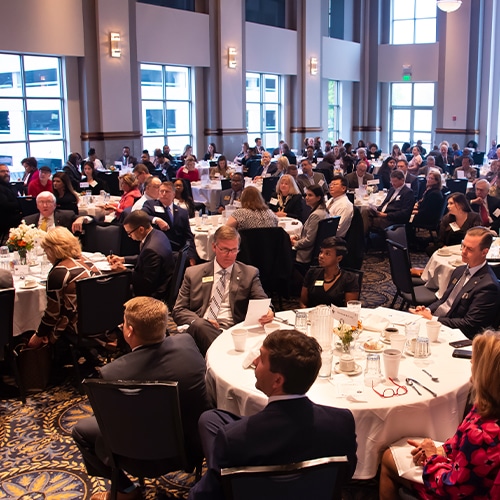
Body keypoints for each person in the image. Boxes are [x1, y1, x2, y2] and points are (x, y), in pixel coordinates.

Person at [188, 329, 357, 500]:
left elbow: (204, 496)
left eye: (261, 358)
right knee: (210, 419)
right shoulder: (342, 423)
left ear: (277, 381)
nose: (254, 362)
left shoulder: (232, 439)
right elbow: (346, 474)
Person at [72, 296, 210, 500]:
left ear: (129, 331)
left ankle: (125, 491)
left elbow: (110, 424)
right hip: (196, 447)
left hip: (139, 457)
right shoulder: (187, 344)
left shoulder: (111, 374)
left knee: (81, 430)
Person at [379, 330, 500, 499]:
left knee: (388, 457)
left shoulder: (481, 434)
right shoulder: (485, 407)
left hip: (456, 490)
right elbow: (458, 441)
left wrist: (432, 458)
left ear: (486, 376)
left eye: (475, 363)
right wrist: (441, 450)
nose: (471, 363)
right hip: (466, 475)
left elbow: (452, 487)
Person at [172, 225, 273, 356]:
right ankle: (224, 355)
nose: (229, 255)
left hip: (233, 330)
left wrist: (269, 310)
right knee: (199, 326)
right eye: (224, 249)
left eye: (234, 250)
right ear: (214, 247)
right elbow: (178, 310)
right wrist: (200, 322)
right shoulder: (193, 273)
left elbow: (262, 300)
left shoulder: (249, 273)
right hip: (201, 327)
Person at [411, 227, 500, 338]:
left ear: (484, 252)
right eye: (463, 246)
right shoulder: (459, 270)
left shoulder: (488, 286)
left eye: (470, 249)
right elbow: (444, 301)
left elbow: (469, 325)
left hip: (461, 336)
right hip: (442, 324)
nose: (463, 251)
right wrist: (427, 310)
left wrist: (432, 319)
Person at [27, 227, 101, 348]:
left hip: (80, 328)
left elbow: (52, 314)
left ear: (53, 250)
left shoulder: (59, 273)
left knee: (33, 336)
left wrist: (38, 335)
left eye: (46, 251)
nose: (46, 255)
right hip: (102, 321)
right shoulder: (87, 261)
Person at [108, 210, 174, 301]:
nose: (129, 236)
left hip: (154, 295)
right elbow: (143, 259)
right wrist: (123, 259)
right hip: (160, 283)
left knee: (112, 289)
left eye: (129, 233)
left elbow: (146, 283)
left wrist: (124, 271)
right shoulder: (158, 234)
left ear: (141, 229)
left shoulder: (151, 250)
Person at [142, 181, 197, 264]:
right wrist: (156, 220)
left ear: (173, 194)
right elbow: (141, 216)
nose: (163, 194)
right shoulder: (150, 205)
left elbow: (188, 236)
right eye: (161, 191)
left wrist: (191, 256)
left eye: (167, 191)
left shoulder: (182, 212)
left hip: (178, 250)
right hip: (159, 249)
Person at [300, 237, 360, 308]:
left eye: (327, 253)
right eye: (321, 252)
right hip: (312, 316)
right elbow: (303, 302)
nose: (321, 256)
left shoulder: (349, 279)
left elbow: (349, 311)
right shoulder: (312, 273)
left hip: (337, 318)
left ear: (339, 258)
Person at [290, 184, 329, 271]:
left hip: (306, 256)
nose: (306, 198)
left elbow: (309, 240)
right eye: (306, 195)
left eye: (310, 195)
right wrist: (298, 237)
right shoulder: (323, 211)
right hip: (313, 250)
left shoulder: (316, 215)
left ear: (318, 198)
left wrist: (295, 243)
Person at [24, 191, 91, 234]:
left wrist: (81, 218)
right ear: (37, 205)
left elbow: (92, 219)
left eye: (48, 202)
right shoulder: (28, 221)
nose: (45, 205)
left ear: (55, 205)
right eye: (41, 202)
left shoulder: (66, 216)